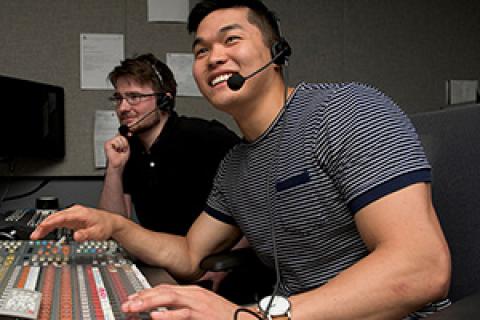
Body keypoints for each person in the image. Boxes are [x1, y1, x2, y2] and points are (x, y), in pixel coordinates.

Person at [32, 1, 452, 319]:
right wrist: (115, 225)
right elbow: (189, 255)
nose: (213, 57)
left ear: (276, 51)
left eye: (231, 39)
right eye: (201, 50)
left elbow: (421, 268)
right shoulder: (235, 166)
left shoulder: (346, 111)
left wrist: (245, 316)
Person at [98, 53, 240, 236]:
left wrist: (226, 257)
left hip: (213, 259)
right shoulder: (127, 149)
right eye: (119, 98)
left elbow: (257, 201)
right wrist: (114, 169)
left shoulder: (205, 136)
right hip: (159, 258)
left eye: (134, 97)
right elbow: (113, 226)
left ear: (164, 100)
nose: (123, 108)